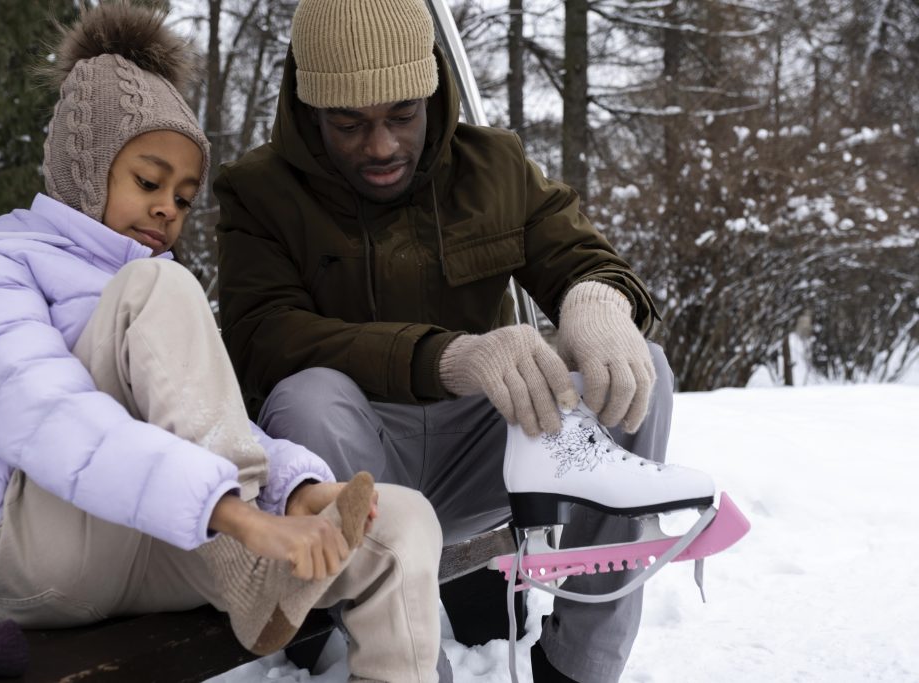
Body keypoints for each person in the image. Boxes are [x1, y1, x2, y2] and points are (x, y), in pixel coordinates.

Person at [0, 4, 446, 682]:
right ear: (83, 168)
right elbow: (48, 414)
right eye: (149, 182)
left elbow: (217, 429)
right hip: (26, 549)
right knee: (158, 287)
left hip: (164, 529)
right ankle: (245, 564)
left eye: (185, 198)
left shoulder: (155, 293)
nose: (168, 209)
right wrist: (237, 513)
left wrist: (295, 488)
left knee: (398, 526)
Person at [212, 0, 678, 681]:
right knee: (308, 396)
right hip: (354, 463)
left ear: (433, 88)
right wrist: (451, 356)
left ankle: (580, 666)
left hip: (483, 449)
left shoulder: (494, 164)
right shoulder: (258, 193)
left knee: (647, 372)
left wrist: (595, 300)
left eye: (402, 115)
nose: (380, 146)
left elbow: (583, 256)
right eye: (350, 124)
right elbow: (263, 337)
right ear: (310, 109)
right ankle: (410, 666)